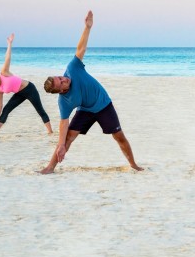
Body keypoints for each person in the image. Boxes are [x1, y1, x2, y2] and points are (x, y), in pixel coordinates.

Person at [39, 11, 143, 174]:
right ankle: (50, 167)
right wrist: (60, 144)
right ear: (60, 91)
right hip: (85, 110)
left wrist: (87, 27)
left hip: (103, 104)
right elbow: (64, 123)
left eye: (61, 77)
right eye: (61, 82)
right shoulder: (64, 101)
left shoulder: (72, 68)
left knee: (119, 137)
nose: (64, 79)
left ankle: (134, 164)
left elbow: (80, 49)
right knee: (67, 139)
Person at [0, 33, 53, 135]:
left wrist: (9, 44)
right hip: (19, 93)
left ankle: (50, 132)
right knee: (6, 109)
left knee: (40, 110)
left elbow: (7, 58)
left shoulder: (4, 73)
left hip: (29, 89)